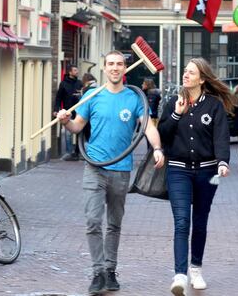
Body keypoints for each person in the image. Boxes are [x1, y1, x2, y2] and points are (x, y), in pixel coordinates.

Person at [57, 50, 165, 295]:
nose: (115, 68)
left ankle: (110, 270)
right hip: (94, 168)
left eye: (119, 64)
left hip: (121, 170)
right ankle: (97, 273)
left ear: (124, 68)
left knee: (114, 224)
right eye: (111, 64)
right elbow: (77, 127)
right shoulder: (92, 96)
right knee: (93, 221)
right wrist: (65, 120)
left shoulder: (135, 98)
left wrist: (157, 148)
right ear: (104, 68)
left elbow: (147, 127)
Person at [158, 58, 236, 295]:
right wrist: (176, 115)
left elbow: (221, 137)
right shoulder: (174, 102)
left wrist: (223, 162)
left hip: (207, 171)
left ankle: (196, 268)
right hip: (178, 169)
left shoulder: (213, 106)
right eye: (185, 71)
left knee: (200, 221)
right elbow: (163, 134)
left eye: (191, 72)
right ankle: (180, 275)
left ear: (202, 78)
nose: (186, 75)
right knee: (182, 221)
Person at [53, 64, 83, 161]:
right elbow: (58, 98)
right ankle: (69, 152)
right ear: (70, 72)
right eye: (75, 70)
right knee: (68, 133)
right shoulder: (63, 84)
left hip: (79, 111)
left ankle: (78, 152)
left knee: (80, 132)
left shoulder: (79, 83)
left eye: (77, 70)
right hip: (67, 112)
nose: (77, 72)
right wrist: (56, 109)